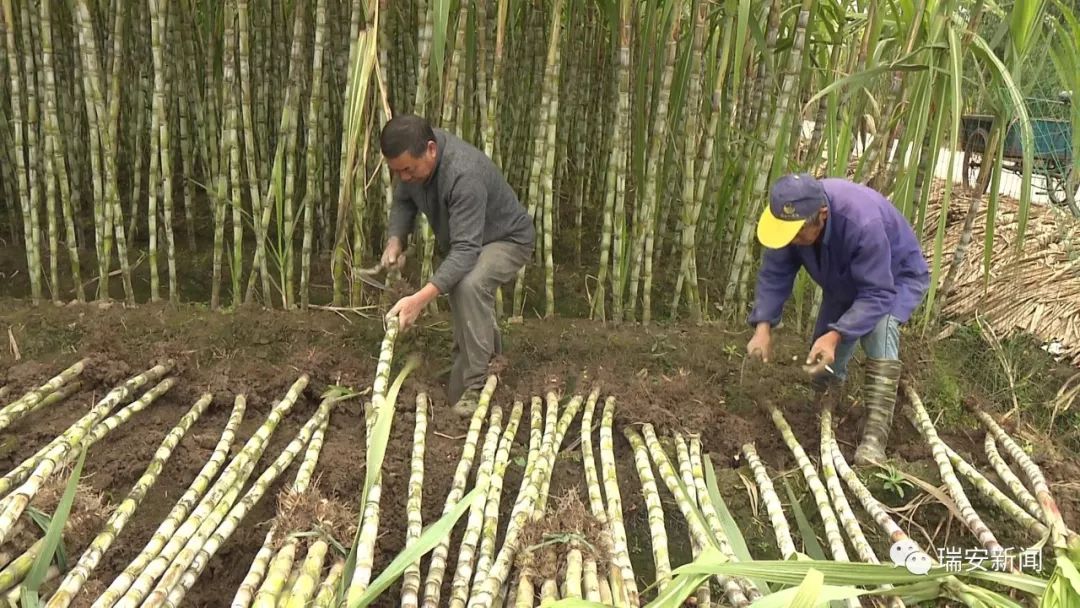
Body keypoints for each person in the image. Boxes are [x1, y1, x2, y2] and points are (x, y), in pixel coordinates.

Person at [745, 173, 930, 465]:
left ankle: (874, 438)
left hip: (892, 279)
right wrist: (763, 326)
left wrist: (836, 335)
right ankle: (825, 409)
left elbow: (877, 293)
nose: (792, 240)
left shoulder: (861, 222)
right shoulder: (794, 222)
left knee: (878, 329)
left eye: (797, 234)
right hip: (843, 278)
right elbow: (774, 272)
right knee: (823, 352)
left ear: (822, 215)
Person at [379, 114, 535, 414]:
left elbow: (465, 251)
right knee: (463, 289)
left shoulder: (464, 175)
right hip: (471, 238)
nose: (405, 177)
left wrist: (418, 301)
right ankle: (489, 363)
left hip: (507, 238)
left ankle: (476, 386)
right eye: (397, 172)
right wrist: (396, 240)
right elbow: (403, 200)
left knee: (469, 285)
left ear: (431, 150)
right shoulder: (412, 161)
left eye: (408, 170)